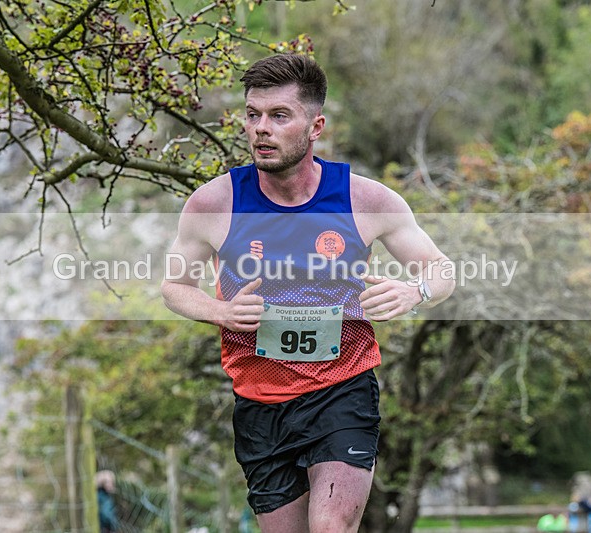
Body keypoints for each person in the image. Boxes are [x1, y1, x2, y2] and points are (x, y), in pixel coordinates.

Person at [161, 53, 455, 532]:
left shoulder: (366, 200)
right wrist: (220, 311)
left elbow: (442, 271)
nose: (261, 128)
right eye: (253, 115)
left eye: (279, 116)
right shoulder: (214, 203)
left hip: (342, 389)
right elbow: (173, 287)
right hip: (259, 402)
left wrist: (413, 291)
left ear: (315, 126)